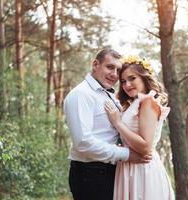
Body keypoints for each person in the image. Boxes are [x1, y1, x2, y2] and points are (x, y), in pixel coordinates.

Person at [63, 49, 151, 200]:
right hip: (90, 175)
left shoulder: (106, 94)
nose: (114, 75)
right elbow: (83, 143)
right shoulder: (81, 94)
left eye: (118, 70)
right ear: (95, 64)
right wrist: (127, 154)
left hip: (110, 172)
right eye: (110, 67)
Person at [104, 55, 175, 200]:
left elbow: (145, 147)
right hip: (127, 167)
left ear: (144, 78)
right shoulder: (134, 103)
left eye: (132, 78)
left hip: (142, 169)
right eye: (123, 81)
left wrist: (118, 123)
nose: (127, 85)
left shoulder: (147, 102)